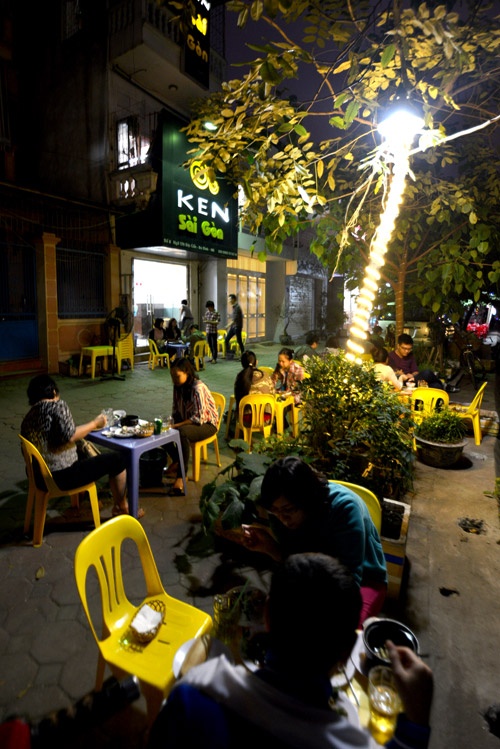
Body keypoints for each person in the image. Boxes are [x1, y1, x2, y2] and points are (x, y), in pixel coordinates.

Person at [147, 553, 434, 749]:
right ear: (349, 649)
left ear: (267, 616)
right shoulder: (351, 743)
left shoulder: (196, 692)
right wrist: (416, 724)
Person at [242, 456, 387, 626]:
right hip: (316, 577)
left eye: (288, 510)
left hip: (363, 581)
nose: (283, 519)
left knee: (337, 633)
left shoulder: (345, 508)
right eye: (275, 511)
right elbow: (296, 561)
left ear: (307, 499)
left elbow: (349, 587)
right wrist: (270, 547)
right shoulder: (279, 513)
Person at [20, 374, 131, 517]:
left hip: (38, 478)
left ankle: (81, 502)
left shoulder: (28, 418)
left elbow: (57, 436)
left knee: (81, 448)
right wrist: (95, 423)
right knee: (118, 459)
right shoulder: (57, 406)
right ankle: (122, 508)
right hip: (61, 478)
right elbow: (70, 436)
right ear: (53, 391)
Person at [164, 358, 219, 496]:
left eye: (177, 376)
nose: (174, 380)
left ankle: (181, 476)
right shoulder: (177, 387)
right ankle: (177, 460)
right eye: (172, 376)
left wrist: (176, 425)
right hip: (189, 422)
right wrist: (169, 424)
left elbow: (198, 418)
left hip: (207, 424)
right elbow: (176, 410)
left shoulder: (197, 388)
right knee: (162, 431)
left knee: (181, 433)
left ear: (187, 373)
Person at [233, 351, 274, 431]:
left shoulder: (240, 377)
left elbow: (237, 397)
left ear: (242, 364)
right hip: (265, 419)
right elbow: (272, 394)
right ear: (256, 362)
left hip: (245, 421)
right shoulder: (265, 375)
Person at [225, 293, 245, 357]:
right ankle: (230, 353)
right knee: (226, 339)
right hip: (233, 327)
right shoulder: (234, 307)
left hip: (237, 327)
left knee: (239, 341)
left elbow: (234, 320)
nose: (229, 301)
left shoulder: (237, 308)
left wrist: (227, 326)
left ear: (233, 299)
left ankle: (243, 354)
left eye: (230, 299)